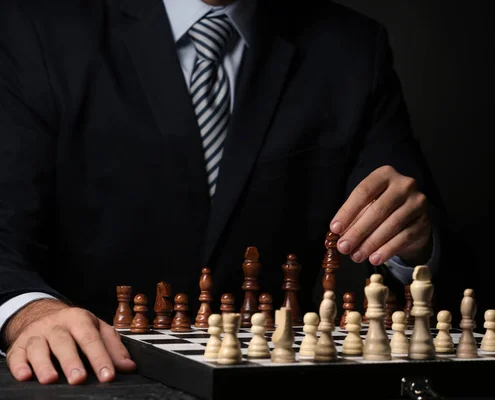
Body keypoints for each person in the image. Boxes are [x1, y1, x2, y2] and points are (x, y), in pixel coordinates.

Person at [0, 0, 444, 386]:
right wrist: (29, 312)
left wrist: (414, 243)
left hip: (275, 378)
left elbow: (415, 222)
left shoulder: (351, 48)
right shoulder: (38, 26)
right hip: (89, 377)